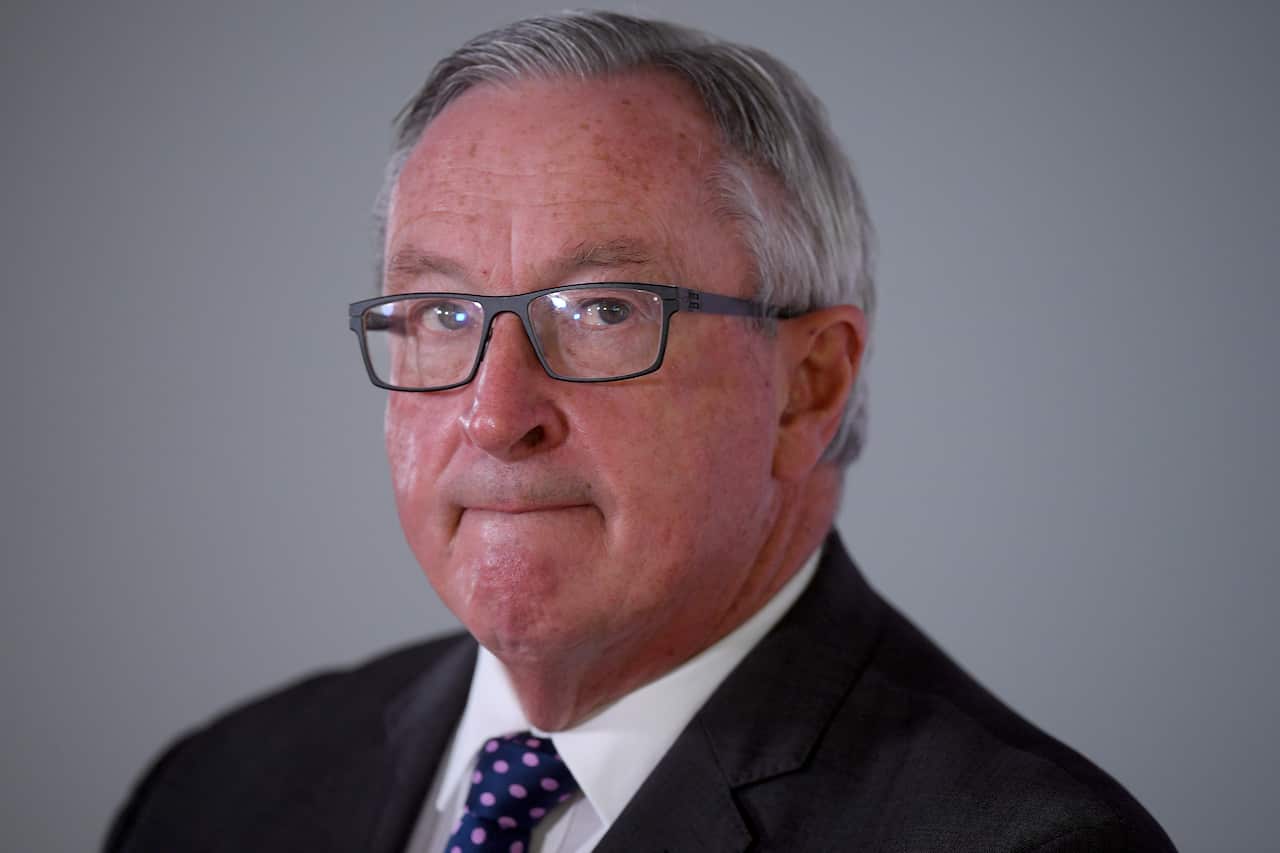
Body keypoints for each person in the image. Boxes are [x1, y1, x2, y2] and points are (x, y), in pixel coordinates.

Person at [106, 11, 1176, 852]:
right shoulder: (219, 790)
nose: (494, 412)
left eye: (602, 309)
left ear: (808, 386)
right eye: (442, 314)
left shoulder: (1026, 842)